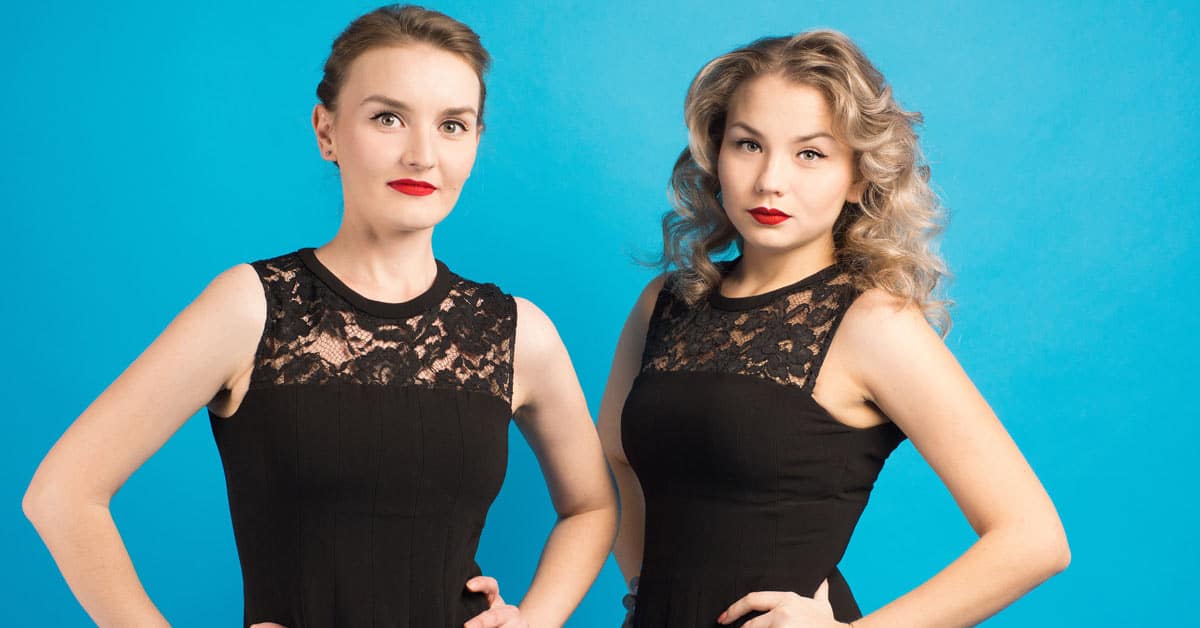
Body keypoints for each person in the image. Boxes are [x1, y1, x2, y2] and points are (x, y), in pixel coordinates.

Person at [22, 5, 616, 627]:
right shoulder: (251, 306)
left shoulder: (515, 331)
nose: (422, 154)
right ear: (326, 131)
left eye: (452, 125)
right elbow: (63, 494)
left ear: (475, 143)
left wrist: (534, 620)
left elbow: (593, 507)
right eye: (388, 118)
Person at [598, 30, 1069, 627]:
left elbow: (1034, 538)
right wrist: (649, 593)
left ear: (857, 177)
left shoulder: (874, 323)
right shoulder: (665, 302)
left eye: (810, 153)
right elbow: (614, 461)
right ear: (716, 156)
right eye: (748, 145)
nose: (771, 179)